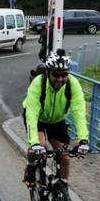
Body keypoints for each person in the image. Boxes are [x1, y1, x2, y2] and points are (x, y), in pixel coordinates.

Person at [22, 49, 90, 187]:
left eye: (64, 75)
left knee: (65, 158)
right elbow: (32, 115)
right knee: (40, 145)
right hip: (38, 119)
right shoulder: (38, 84)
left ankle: (62, 193)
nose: (60, 79)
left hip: (57, 120)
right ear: (48, 72)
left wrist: (83, 139)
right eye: (56, 75)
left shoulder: (72, 84)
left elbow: (79, 111)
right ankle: (31, 166)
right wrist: (34, 143)